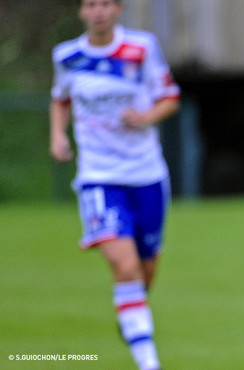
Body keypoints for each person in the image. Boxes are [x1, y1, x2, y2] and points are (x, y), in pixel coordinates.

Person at [50, 0, 179, 368]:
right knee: (124, 268)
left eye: (106, 3)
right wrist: (58, 136)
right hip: (98, 178)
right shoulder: (68, 55)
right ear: (81, 11)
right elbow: (60, 99)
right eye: (91, 4)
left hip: (146, 174)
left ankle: (132, 312)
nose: (99, 11)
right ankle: (148, 359)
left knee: (145, 268)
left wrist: (145, 117)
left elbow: (169, 97)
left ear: (118, 9)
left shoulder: (141, 48)